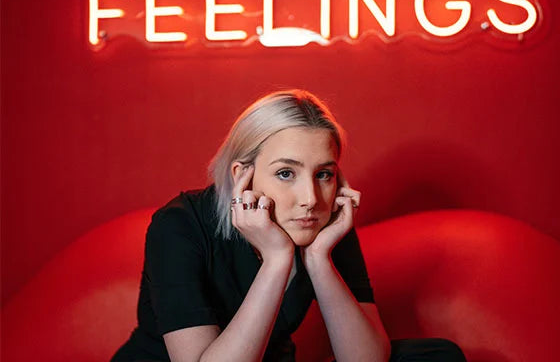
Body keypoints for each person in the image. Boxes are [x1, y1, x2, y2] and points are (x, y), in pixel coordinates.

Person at [111, 89, 466, 362]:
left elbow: (367, 359)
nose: (310, 197)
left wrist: (319, 259)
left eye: (323, 174)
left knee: (434, 356)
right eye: (285, 173)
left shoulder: (322, 222)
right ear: (242, 176)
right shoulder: (179, 225)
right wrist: (277, 259)